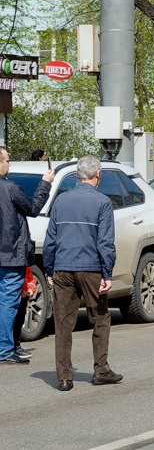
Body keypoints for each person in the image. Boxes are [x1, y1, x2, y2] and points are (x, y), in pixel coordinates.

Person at [45, 156, 119, 389]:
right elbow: (105, 243)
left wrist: (49, 268)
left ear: (77, 176)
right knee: (100, 318)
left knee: (63, 323)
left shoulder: (60, 201)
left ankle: (65, 377)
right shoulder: (103, 202)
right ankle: (101, 370)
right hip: (90, 268)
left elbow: (50, 240)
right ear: (98, 175)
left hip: (63, 267)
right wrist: (107, 274)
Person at [0, 147, 52, 364]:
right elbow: (33, 207)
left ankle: (9, 347)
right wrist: (45, 184)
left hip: (10, 254)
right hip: (10, 256)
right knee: (8, 302)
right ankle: (4, 349)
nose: (9, 165)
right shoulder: (11, 188)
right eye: (7, 161)